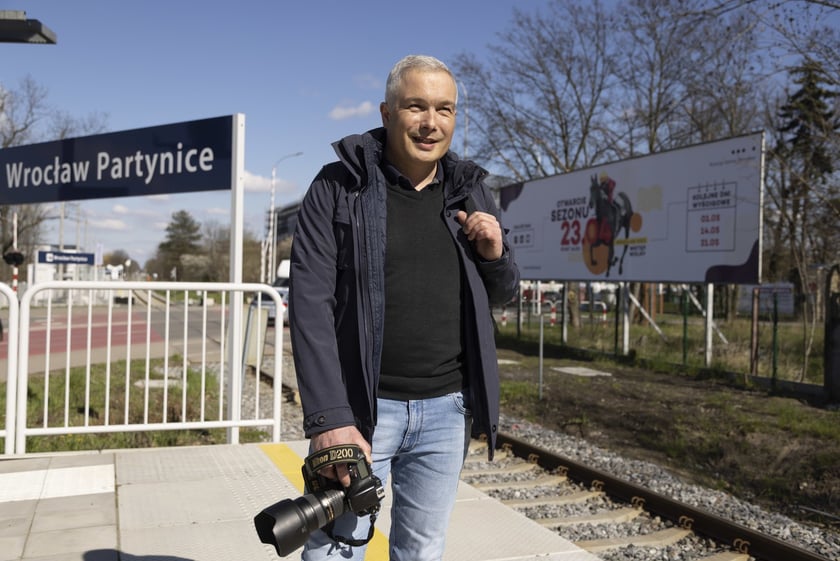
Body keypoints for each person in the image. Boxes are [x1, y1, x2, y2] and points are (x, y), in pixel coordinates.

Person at [288, 54, 520, 561]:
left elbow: (500, 296)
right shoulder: (336, 187)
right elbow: (308, 305)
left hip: (446, 412)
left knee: (421, 551)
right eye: (416, 106)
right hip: (363, 417)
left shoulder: (471, 189)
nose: (431, 122)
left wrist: (496, 255)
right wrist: (330, 420)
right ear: (387, 112)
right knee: (334, 552)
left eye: (445, 109)